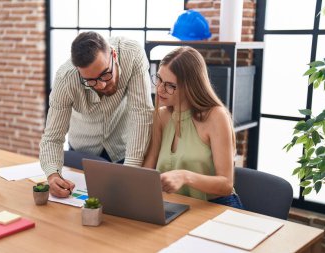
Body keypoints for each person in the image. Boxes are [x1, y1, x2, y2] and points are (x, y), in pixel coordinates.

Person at [40, 32, 154, 198]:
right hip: (82, 151)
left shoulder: (132, 53)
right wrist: (53, 174)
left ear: (113, 55)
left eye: (105, 74)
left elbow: (141, 114)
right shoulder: (65, 79)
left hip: (125, 150)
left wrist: (131, 170)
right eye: (91, 81)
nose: (101, 85)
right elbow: (52, 136)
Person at [143, 46, 243, 209]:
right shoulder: (161, 116)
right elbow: (149, 168)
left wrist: (185, 177)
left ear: (190, 86)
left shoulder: (216, 117)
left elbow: (225, 184)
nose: (159, 89)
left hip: (216, 206)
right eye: (159, 79)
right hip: (176, 204)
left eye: (170, 85)